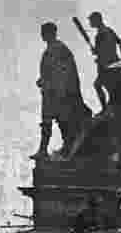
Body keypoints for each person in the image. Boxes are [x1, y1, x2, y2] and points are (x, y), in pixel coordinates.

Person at [34, 22, 91, 160]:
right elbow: (53, 71)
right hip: (52, 91)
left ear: (50, 33)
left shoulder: (58, 49)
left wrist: (58, 90)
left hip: (56, 93)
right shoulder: (55, 49)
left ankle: (55, 148)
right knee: (53, 121)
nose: (41, 35)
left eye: (44, 32)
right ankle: (46, 149)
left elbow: (63, 73)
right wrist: (42, 80)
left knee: (58, 121)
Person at [88, 12, 121, 113]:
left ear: (97, 20)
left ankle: (105, 108)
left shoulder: (99, 35)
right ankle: (111, 106)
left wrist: (95, 53)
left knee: (98, 85)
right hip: (115, 63)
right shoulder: (109, 30)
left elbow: (100, 52)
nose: (90, 23)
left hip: (105, 66)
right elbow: (120, 43)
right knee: (110, 87)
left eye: (91, 20)